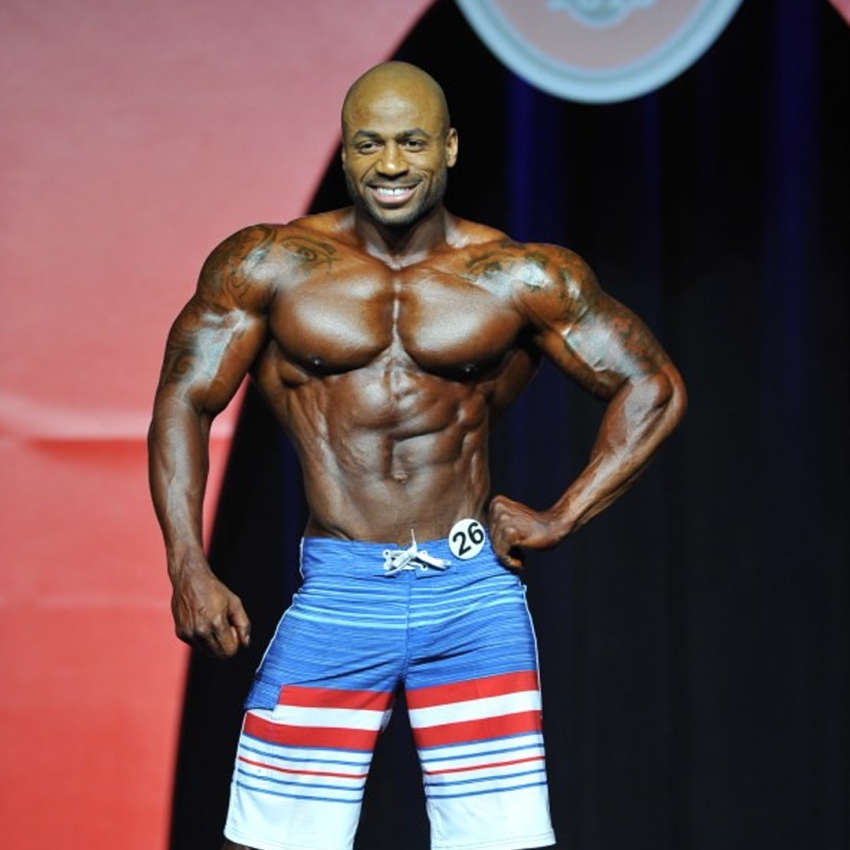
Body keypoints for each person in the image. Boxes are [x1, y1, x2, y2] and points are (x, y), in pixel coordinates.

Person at [149, 61, 686, 850]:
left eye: (411, 143)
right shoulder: (267, 265)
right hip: (339, 590)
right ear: (344, 152)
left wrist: (562, 516)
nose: (392, 164)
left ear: (451, 147)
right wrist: (186, 565)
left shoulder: (518, 275)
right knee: (280, 840)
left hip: (473, 596)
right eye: (370, 144)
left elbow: (653, 387)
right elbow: (184, 399)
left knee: (493, 842)